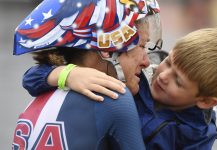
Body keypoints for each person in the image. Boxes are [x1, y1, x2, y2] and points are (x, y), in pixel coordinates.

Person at [21, 27, 217, 149]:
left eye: (178, 81)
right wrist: (67, 74)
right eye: (169, 62)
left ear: (204, 101)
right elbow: (32, 79)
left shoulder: (197, 135)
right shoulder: (134, 75)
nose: (162, 75)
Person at [12, 0, 161, 149]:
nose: (146, 61)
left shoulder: (46, 89)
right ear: (107, 49)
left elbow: (31, 77)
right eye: (141, 46)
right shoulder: (115, 98)